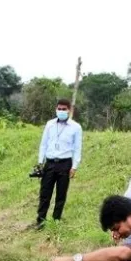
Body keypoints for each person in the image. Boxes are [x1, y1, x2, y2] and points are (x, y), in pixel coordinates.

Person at [35, 98, 83, 230]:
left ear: (69, 110)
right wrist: (40, 162)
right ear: (56, 109)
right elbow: (43, 144)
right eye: (59, 109)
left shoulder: (76, 127)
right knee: (45, 193)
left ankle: (56, 220)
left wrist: (74, 166)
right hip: (49, 163)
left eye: (64, 109)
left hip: (65, 164)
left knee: (61, 194)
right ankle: (41, 221)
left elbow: (77, 148)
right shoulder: (50, 124)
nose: (61, 111)